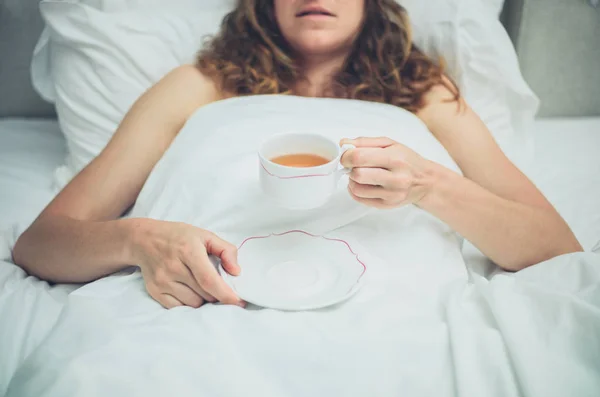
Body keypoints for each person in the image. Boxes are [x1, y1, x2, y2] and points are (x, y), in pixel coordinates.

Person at [12, 0, 582, 309]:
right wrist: (138, 239)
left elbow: (555, 246)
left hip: (394, 314)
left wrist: (431, 186)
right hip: (205, 309)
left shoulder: (426, 94)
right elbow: (43, 243)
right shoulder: (197, 85)